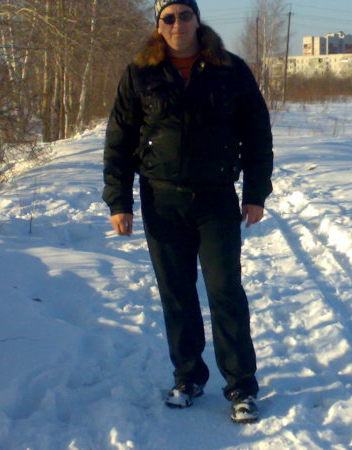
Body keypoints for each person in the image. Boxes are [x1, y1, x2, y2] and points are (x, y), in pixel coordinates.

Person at [102, 0, 273, 423]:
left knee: (225, 290)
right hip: (162, 200)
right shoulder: (140, 73)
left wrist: (255, 193)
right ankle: (188, 377)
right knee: (176, 292)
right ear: (159, 24)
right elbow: (119, 140)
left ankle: (241, 386)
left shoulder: (229, 69)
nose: (177, 24)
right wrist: (119, 201)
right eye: (168, 17)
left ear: (197, 19)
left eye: (185, 15)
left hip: (216, 199)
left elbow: (257, 133)